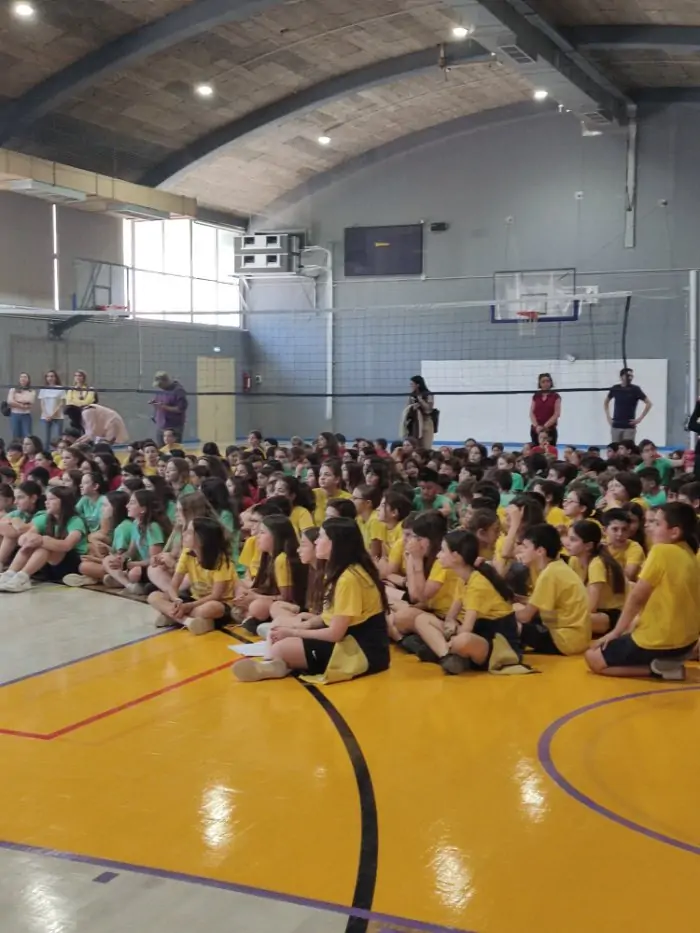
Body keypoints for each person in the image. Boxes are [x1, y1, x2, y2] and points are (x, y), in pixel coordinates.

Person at [233, 517, 390, 684]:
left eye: (321, 537)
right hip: (351, 639)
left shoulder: (348, 578)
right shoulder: (341, 571)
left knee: (281, 648)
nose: (316, 542)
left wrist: (293, 632)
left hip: (361, 649)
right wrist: (299, 627)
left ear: (335, 543)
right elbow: (329, 617)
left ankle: (276, 664)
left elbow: (335, 633)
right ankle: (278, 666)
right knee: (282, 637)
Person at [585, 502, 700, 680]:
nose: (650, 528)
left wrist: (615, 633)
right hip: (687, 642)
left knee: (592, 657)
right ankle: (664, 664)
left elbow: (637, 597)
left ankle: (659, 670)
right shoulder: (690, 553)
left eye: (657, 523)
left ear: (674, 532)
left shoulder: (662, 550)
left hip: (660, 640)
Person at [148, 517, 236, 635]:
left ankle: (172, 616)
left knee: (209, 608)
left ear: (202, 539)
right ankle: (187, 620)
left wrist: (188, 606)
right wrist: (177, 601)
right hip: (195, 599)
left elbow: (216, 595)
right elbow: (173, 586)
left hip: (218, 602)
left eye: (189, 532)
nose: (184, 534)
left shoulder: (221, 560)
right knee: (154, 596)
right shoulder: (187, 553)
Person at [515, 523, 591, 655]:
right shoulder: (556, 567)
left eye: (526, 547)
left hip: (565, 640)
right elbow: (537, 603)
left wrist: (499, 615)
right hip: (577, 638)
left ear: (540, 551)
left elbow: (525, 616)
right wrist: (516, 599)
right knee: (515, 609)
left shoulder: (550, 573)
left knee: (509, 623)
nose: (522, 551)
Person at [0, 486, 88, 592]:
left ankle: (22, 578)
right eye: (46, 499)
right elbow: (22, 539)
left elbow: (67, 545)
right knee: (32, 543)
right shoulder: (45, 517)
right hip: (48, 565)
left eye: (51, 499)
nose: (46, 502)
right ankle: (10, 574)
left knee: (45, 545)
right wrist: (29, 539)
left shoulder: (75, 520)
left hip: (70, 565)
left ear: (64, 501)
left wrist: (42, 540)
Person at [604, 368, 652, 443]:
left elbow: (648, 403)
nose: (630, 378)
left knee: (627, 447)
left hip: (629, 426)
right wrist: (608, 417)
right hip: (616, 425)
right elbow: (606, 402)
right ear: (621, 376)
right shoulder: (615, 388)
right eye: (628, 375)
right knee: (615, 447)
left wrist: (639, 419)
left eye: (631, 376)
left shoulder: (635, 389)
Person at [150, 372, 188, 446]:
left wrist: (164, 407)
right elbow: (159, 403)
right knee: (161, 449)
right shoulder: (160, 390)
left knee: (174, 449)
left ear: (166, 381)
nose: (160, 387)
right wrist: (155, 404)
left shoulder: (178, 391)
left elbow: (180, 409)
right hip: (161, 425)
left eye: (161, 384)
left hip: (174, 426)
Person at [402, 376, 435, 450]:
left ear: (418, 385)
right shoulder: (411, 395)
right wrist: (412, 407)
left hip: (426, 422)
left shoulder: (428, 394)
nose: (411, 386)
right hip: (414, 423)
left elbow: (429, 409)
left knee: (426, 446)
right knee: (415, 445)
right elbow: (407, 408)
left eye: (412, 384)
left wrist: (420, 400)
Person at [530, 373, 561, 445]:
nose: (546, 384)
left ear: (551, 382)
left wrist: (544, 427)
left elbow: (556, 414)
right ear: (540, 383)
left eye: (548, 381)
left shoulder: (555, 396)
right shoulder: (536, 396)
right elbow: (531, 413)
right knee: (536, 450)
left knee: (549, 450)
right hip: (536, 430)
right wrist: (537, 426)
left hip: (550, 429)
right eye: (543, 382)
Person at [38, 370, 65, 448]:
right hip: (45, 417)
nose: (50, 378)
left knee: (58, 438)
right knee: (46, 438)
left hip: (58, 416)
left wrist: (52, 415)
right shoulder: (43, 389)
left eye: (52, 376)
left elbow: (61, 403)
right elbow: (42, 403)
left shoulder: (60, 388)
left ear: (56, 378)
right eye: (48, 376)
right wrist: (46, 414)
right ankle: (46, 452)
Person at [7, 372, 35, 440]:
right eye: (21, 377)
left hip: (26, 415)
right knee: (16, 435)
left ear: (28, 380)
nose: (23, 379)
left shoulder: (31, 391)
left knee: (27, 435)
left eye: (25, 377)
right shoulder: (13, 389)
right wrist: (22, 405)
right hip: (15, 414)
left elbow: (30, 401)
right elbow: (10, 401)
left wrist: (16, 401)